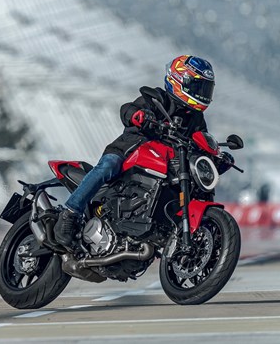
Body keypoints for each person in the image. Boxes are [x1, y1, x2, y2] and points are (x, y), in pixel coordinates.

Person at [54, 54, 224, 250]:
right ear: (179, 80)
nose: (202, 93)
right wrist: (138, 115)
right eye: (197, 87)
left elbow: (201, 139)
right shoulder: (157, 98)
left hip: (168, 163)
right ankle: (70, 212)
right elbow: (127, 109)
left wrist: (216, 154)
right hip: (131, 149)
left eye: (205, 88)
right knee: (108, 165)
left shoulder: (196, 118)